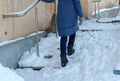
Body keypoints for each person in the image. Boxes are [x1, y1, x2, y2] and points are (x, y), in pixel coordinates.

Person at [42, 0, 84, 67]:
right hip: (72, 14)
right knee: (73, 31)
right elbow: (77, 3)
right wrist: (81, 15)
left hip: (62, 15)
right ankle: (70, 49)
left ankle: (63, 58)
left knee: (63, 37)